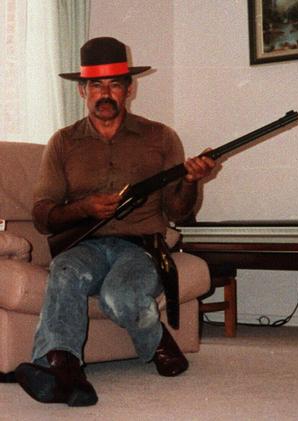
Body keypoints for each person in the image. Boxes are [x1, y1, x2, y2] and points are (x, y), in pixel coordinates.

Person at [15, 37, 216, 407]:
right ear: (82, 90)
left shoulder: (161, 137)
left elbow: (178, 213)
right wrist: (85, 208)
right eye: (96, 85)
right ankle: (63, 368)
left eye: (114, 84)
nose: (104, 93)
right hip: (85, 246)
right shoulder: (62, 142)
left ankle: (157, 341)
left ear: (129, 88)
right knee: (64, 270)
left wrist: (190, 181)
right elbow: (44, 216)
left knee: (118, 295)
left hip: (141, 246)